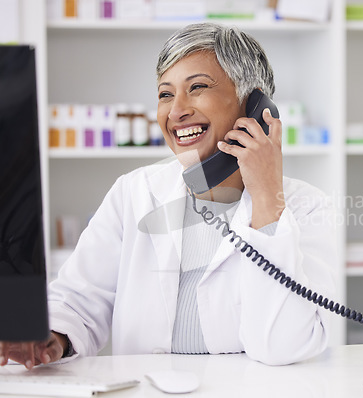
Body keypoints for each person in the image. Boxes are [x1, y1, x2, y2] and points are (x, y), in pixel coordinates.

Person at [0, 23, 336, 369]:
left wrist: (267, 198)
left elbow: (282, 345)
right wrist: (52, 336)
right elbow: (78, 300)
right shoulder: (133, 193)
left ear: (256, 108)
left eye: (197, 88)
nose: (176, 112)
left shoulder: (305, 206)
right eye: (165, 94)